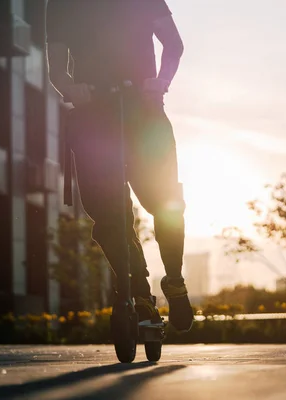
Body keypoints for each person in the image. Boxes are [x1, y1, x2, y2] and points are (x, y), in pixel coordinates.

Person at [45, 0, 193, 332]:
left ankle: (174, 279)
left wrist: (161, 82)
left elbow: (174, 44)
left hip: (144, 112)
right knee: (107, 210)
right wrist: (70, 87)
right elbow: (56, 69)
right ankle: (138, 292)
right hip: (93, 115)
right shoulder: (61, 5)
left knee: (166, 200)